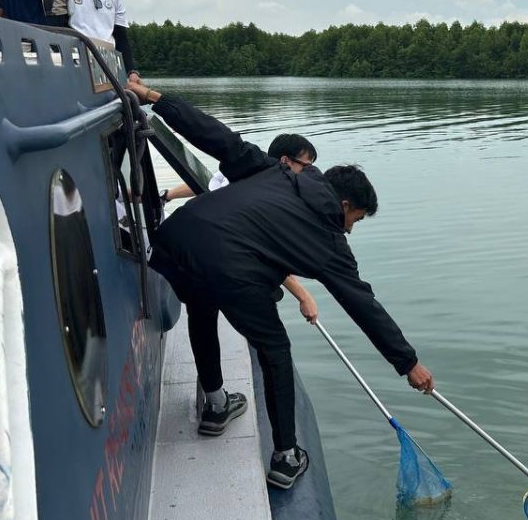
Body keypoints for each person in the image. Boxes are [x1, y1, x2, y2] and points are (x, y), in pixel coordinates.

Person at [125, 75, 433, 489]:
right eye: (355, 219)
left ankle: (216, 405)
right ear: (344, 205)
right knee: (275, 349)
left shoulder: (274, 170)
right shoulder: (330, 244)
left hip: (176, 242)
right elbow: (363, 305)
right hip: (229, 268)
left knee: (201, 306)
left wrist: (154, 98)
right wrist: (408, 363)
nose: (351, 230)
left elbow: (216, 136)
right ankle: (286, 456)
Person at [162, 133, 323, 324]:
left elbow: (208, 183)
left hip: (194, 247)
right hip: (208, 256)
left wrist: (167, 195)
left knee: (202, 317)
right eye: (306, 167)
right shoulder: (265, 197)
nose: (309, 174)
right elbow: (266, 252)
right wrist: (304, 296)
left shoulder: (248, 166)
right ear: (285, 161)